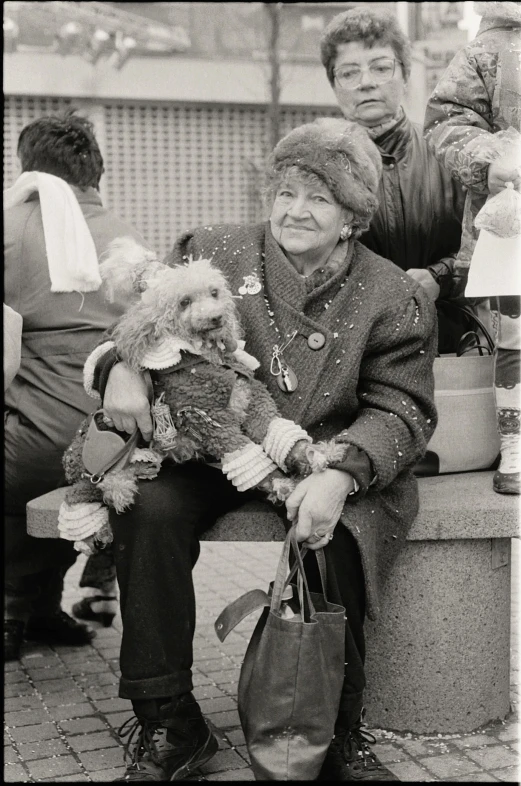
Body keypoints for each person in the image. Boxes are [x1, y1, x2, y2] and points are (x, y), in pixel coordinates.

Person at [86, 118, 437, 782]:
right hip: (213, 444)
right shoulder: (214, 247)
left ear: (353, 219)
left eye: (319, 198)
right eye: (286, 191)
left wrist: (342, 473)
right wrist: (121, 367)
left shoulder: (393, 294)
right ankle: (170, 721)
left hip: (322, 453)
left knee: (333, 533)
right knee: (149, 509)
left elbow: (402, 407)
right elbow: (143, 319)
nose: (294, 211)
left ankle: (335, 732)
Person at [4, 111, 146, 661]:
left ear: (28, 171)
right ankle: (33, 610)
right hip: (111, 446)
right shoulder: (127, 237)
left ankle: (15, 611)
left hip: (30, 445)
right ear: (96, 172)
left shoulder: (11, 229)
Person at [319, 6, 471, 354]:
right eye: (349, 72)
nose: (366, 82)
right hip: (350, 358)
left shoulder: (450, 153)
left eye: (381, 67)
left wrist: (441, 278)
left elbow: (488, 241)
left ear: (405, 74)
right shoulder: (318, 165)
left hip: (448, 349)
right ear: (334, 84)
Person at [424, 0, 521, 495]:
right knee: (513, 343)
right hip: (509, 228)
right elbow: (445, 120)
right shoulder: (488, 49)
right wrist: (488, 159)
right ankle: (514, 446)